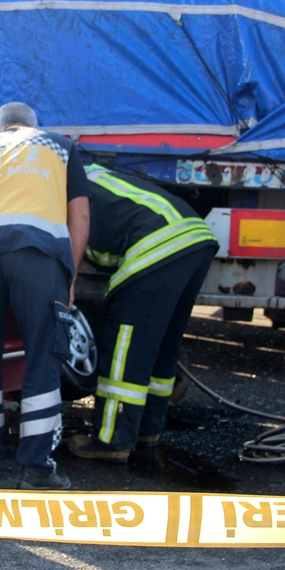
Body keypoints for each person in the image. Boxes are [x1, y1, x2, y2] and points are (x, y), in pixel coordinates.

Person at [0, 102, 91, 490]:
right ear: (32, 126)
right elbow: (79, 213)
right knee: (43, 352)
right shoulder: (58, 146)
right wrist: (71, 273)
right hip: (36, 253)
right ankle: (36, 468)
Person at [67, 166, 217, 462]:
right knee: (159, 345)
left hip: (157, 243)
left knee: (124, 347)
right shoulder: (86, 172)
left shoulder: (53, 187)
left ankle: (112, 440)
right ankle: (147, 430)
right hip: (194, 237)